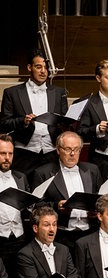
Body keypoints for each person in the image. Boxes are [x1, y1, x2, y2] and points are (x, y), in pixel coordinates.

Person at [0, 49, 68, 180]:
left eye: (46, 67)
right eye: (38, 67)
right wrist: (23, 121)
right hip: (24, 154)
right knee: (25, 194)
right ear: (29, 67)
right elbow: (3, 124)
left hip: (51, 153)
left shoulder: (59, 92)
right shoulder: (12, 92)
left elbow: (65, 122)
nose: (43, 71)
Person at [31, 131, 103, 250]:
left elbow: (101, 198)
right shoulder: (42, 173)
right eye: (68, 149)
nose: (72, 154)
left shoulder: (92, 170)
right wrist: (56, 207)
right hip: (61, 236)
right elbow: (36, 206)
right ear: (58, 150)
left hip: (90, 233)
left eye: (76, 149)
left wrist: (96, 211)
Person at [17, 206, 81, 278]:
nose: (52, 229)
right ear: (36, 228)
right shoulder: (25, 254)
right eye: (47, 225)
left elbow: (74, 275)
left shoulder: (63, 249)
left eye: (54, 224)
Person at [0, 134, 32, 278]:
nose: (7, 158)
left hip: (20, 239)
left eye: (10, 154)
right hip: (0, 240)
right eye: (2, 153)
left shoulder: (21, 177)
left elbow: (27, 206)